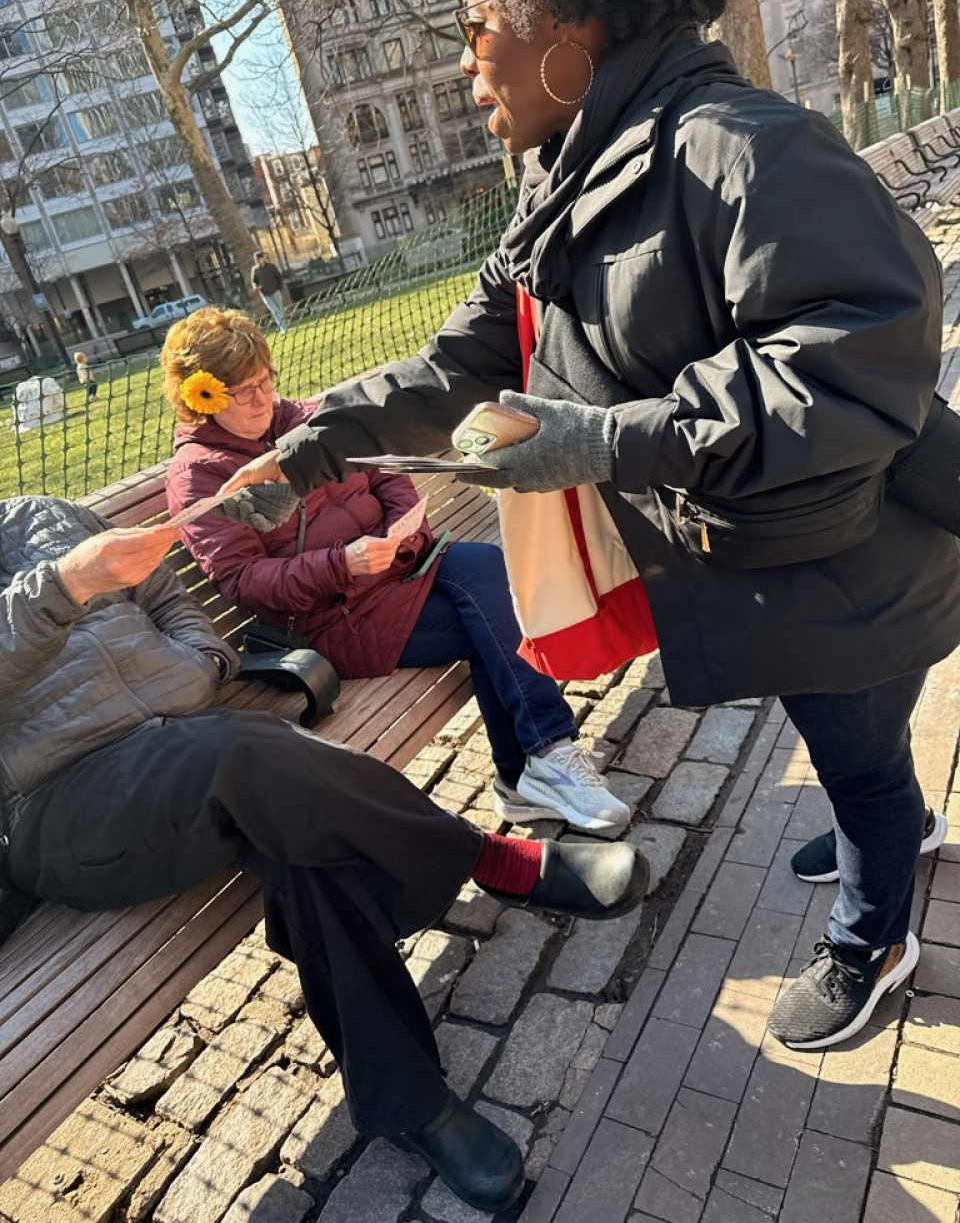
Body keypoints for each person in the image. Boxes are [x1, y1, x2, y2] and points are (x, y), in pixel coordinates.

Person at [220, 0, 960, 1053]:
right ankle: (889, 824)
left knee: (854, 751)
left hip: (854, 557)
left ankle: (876, 934)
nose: (465, 62)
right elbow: (463, 361)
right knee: (856, 743)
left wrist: (608, 441)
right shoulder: (565, 173)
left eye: (475, 26)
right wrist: (311, 450)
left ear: (569, 28)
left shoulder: (744, 147)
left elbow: (853, 364)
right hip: (769, 554)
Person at [0, 494, 648, 1212]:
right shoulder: (58, 569)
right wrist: (64, 586)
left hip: (190, 740)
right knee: (250, 756)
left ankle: (414, 1106)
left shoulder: (45, 514)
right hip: (63, 804)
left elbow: (166, 596)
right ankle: (489, 860)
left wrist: (202, 660)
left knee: (308, 850)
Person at [163, 306, 629, 832]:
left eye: (265, 380)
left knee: (489, 571)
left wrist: (400, 532)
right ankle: (541, 761)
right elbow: (243, 581)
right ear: (200, 398)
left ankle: (535, 768)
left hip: (403, 572)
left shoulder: (306, 422)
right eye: (241, 391)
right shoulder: (200, 476)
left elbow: (388, 475)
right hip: (337, 615)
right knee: (495, 622)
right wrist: (341, 563)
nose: (261, 398)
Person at [250, 250, 287, 333]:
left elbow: (279, 277)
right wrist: (255, 287)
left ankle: (284, 325)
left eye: (258, 259)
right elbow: (253, 281)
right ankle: (283, 329)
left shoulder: (271, 267)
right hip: (265, 295)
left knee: (280, 309)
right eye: (256, 260)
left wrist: (279, 288)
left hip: (275, 291)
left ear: (263, 258)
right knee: (275, 311)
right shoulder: (255, 270)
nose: (257, 261)